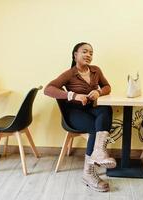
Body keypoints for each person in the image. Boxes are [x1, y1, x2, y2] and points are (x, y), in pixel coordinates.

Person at [44, 42, 116, 192]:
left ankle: (99, 152)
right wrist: (73, 95)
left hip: (91, 109)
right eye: (85, 52)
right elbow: (48, 89)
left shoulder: (96, 70)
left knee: (106, 109)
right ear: (75, 55)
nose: (88, 55)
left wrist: (99, 92)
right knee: (93, 128)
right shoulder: (70, 73)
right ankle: (88, 174)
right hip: (74, 113)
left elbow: (107, 87)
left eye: (91, 53)